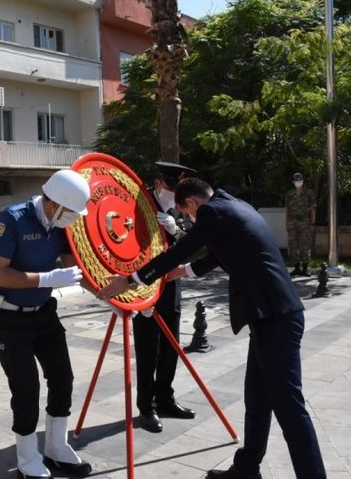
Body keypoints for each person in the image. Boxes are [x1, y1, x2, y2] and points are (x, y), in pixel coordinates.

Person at [97, 178, 326, 479]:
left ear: (190, 204)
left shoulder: (212, 213)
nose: (190, 220)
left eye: (187, 215)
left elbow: (180, 249)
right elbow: (215, 256)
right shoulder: (234, 206)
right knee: (257, 400)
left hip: (276, 319)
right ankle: (246, 468)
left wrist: (131, 280)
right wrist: (179, 273)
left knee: (290, 410)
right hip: (270, 318)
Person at [0, 169, 92, 479]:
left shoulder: (60, 225)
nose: (73, 218)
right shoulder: (14, 218)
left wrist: (116, 297)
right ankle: (27, 457)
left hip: (45, 314)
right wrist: (45, 279)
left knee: (63, 377)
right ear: (55, 203)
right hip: (11, 318)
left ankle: (56, 447)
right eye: (71, 212)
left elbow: (77, 270)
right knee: (26, 389)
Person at [132, 161, 197, 433]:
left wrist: (176, 231)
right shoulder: (139, 206)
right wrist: (137, 294)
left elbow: (193, 246)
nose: (175, 193)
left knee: (172, 347)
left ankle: (165, 399)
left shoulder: (179, 210)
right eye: (172, 187)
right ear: (159, 184)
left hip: (171, 285)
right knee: (149, 349)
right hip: (145, 286)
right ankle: (146, 408)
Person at [285, 173, 316, 277]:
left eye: (300, 180)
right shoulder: (290, 194)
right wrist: (287, 223)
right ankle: (296, 268)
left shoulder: (309, 193)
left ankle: (305, 269)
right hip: (293, 221)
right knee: (293, 244)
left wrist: (312, 223)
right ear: (293, 182)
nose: (299, 182)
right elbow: (287, 210)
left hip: (305, 222)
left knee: (305, 244)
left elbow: (313, 209)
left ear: (303, 181)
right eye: (296, 180)